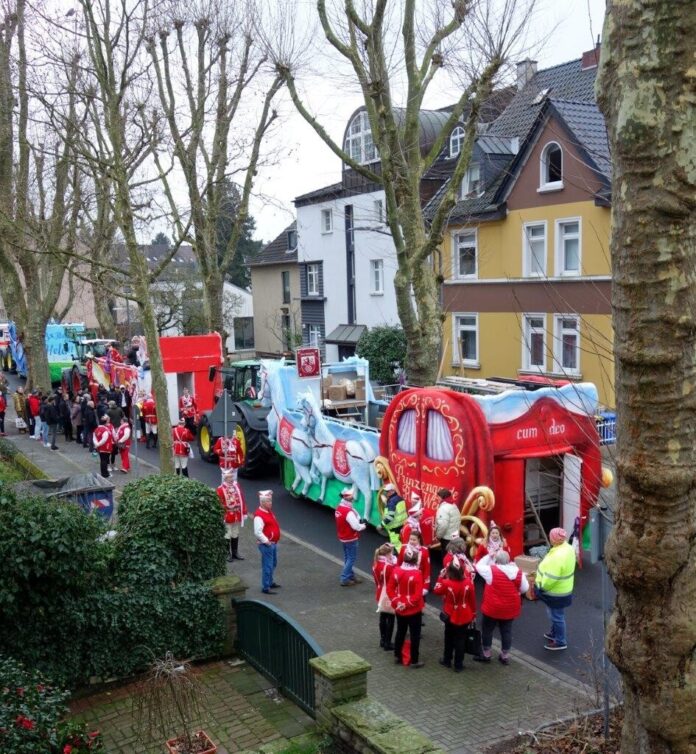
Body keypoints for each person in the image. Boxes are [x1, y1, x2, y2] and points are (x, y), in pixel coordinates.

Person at [475, 550, 529, 665]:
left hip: (492, 607)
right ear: (509, 560)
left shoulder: (490, 570)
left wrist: (488, 555)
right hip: (509, 608)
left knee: (487, 630)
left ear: (496, 560)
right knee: (506, 631)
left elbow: (478, 566)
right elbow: (525, 588)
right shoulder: (518, 572)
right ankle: (505, 655)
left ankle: (487, 654)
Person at [535, 527, 576, 651]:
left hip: (555, 593)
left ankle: (560, 641)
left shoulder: (557, 556)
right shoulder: (567, 548)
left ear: (554, 539)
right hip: (564, 589)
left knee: (557, 616)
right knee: (555, 614)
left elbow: (550, 579)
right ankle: (554, 633)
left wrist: (541, 587)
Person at [433, 558, 477, 672]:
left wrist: (440, 577)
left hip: (450, 615)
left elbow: (436, 590)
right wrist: (473, 614)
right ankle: (458, 665)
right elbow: (472, 600)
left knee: (448, 638)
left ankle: (447, 660)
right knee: (461, 639)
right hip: (465, 614)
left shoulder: (446, 583)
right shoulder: (468, 582)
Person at [388, 546, 425, 668]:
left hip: (400, 608)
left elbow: (390, 589)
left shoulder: (396, 570)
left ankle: (398, 656)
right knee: (415, 635)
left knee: (400, 632)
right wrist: (407, 604)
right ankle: (414, 660)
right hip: (413, 610)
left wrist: (397, 602)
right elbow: (417, 595)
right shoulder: (417, 573)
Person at [335, 487, 367, 587]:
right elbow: (356, 526)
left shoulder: (339, 508)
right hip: (350, 537)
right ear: (349, 499)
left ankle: (350, 575)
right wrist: (363, 526)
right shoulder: (348, 512)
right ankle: (344, 578)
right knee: (351, 558)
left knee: (347, 557)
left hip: (343, 537)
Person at [254, 490, 281, 595]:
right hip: (267, 545)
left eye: (270, 501)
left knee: (273, 563)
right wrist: (266, 541)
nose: (271, 503)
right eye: (269, 501)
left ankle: (269, 582)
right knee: (268, 565)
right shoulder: (259, 516)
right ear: (262, 503)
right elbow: (257, 532)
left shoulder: (268, 511)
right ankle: (266, 587)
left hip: (272, 543)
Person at [217, 470, 247, 562]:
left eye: (232, 477)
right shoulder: (220, 489)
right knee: (227, 534)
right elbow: (219, 503)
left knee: (235, 533)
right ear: (225, 478)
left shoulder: (236, 486)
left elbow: (242, 499)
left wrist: (244, 512)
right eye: (229, 477)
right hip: (227, 515)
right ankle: (227, 553)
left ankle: (235, 553)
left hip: (236, 515)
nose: (231, 479)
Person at [373, 543, 397, 651]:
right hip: (388, 594)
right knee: (390, 618)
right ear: (388, 553)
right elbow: (393, 579)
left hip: (379, 591)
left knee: (382, 616)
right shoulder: (388, 566)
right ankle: (387, 642)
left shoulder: (376, 563)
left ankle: (382, 640)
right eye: (391, 552)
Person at [398, 530, 431, 594]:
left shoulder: (424, 550)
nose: (411, 541)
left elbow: (427, 569)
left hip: (417, 579)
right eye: (410, 539)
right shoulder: (404, 548)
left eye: (414, 540)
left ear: (419, 539)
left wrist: (425, 587)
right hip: (404, 578)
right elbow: (399, 563)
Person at [379, 483, 407, 551]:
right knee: (401, 543)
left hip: (394, 528)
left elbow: (390, 517)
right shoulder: (400, 499)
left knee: (397, 545)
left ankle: (403, 559)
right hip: (402, 525)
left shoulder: (391, 502)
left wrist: (381, 525)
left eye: (387, 491)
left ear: (392, 491)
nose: (386, 493)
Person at [435, 488, 461, 555]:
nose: (437, 498)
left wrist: (438, 536)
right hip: (454, 536)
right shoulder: (454, 506)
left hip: (447, 539)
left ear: (443, 497)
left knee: (446, 557)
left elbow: (443, 525)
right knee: (453, 556)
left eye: (438, 497)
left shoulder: (443, 508)